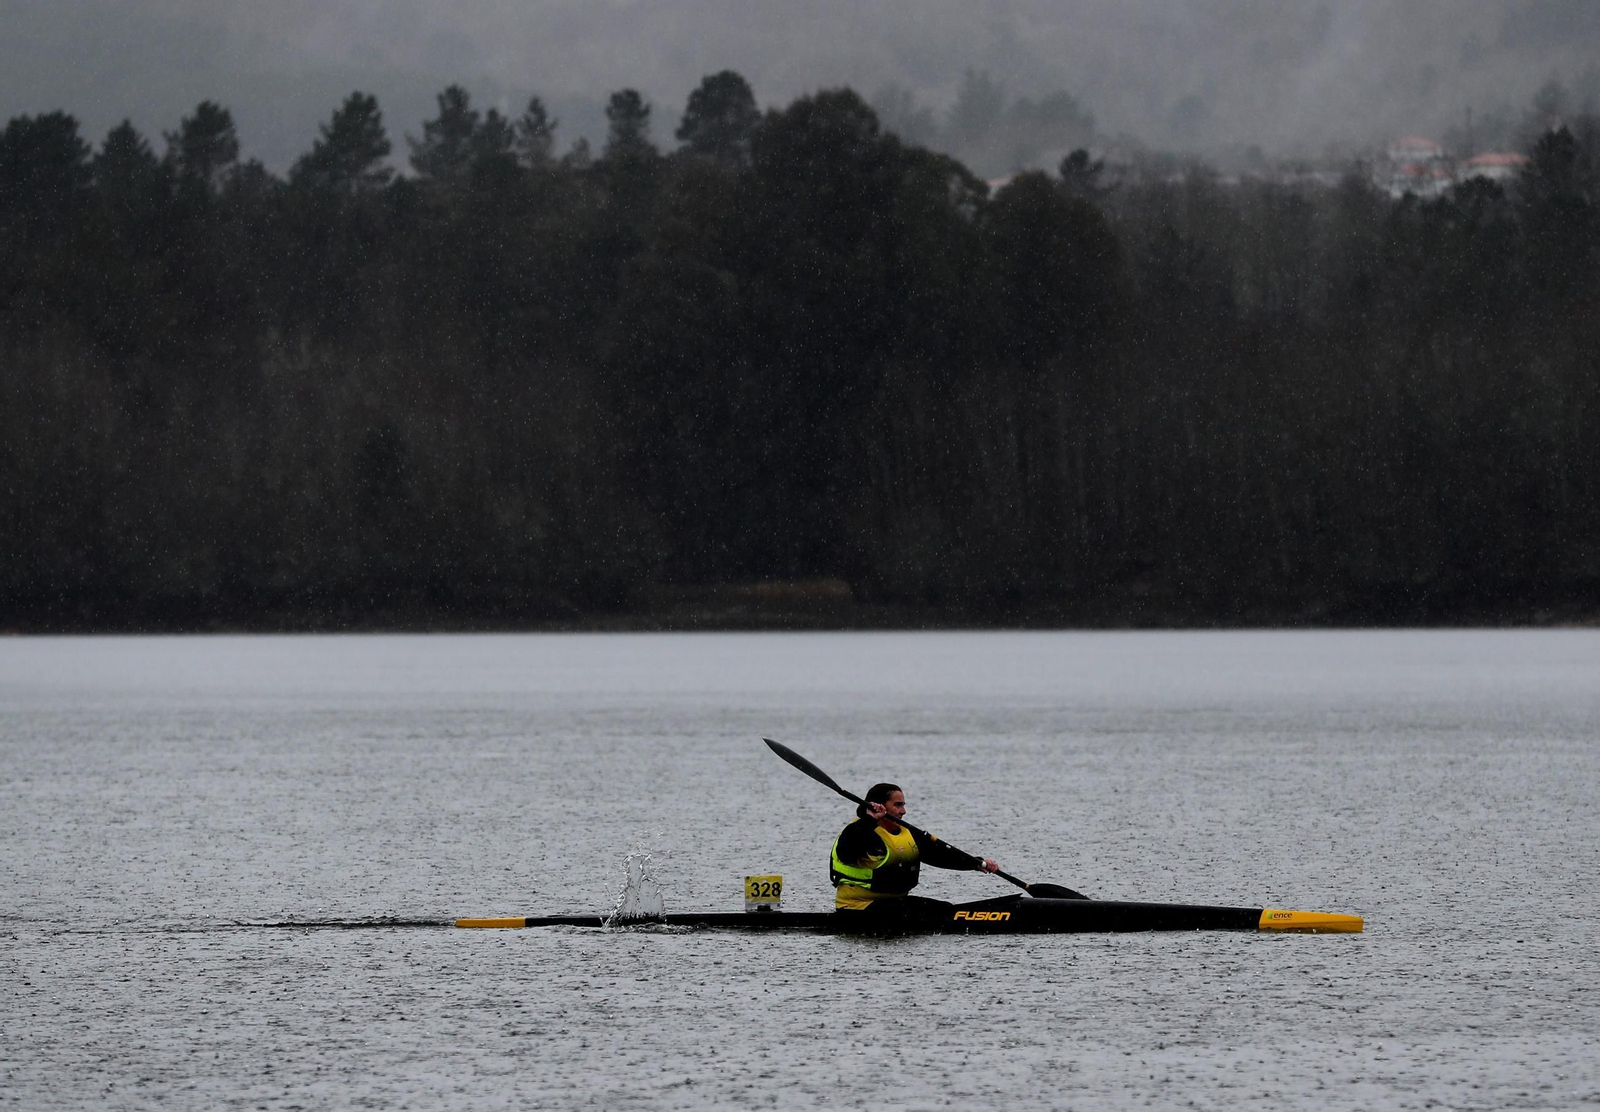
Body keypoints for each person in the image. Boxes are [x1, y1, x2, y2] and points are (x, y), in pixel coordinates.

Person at [831, 782, 1000, 914]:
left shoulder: (907, 834)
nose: (903, 811)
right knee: (925, 913)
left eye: (903, 805)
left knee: (943, 908)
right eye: (897, 805)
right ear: (879, 806)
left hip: (894, 905)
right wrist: (870, 820)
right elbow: (846, 852)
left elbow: (939, 855)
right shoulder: (858, 832)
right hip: (857, 908)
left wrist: (976, 863)